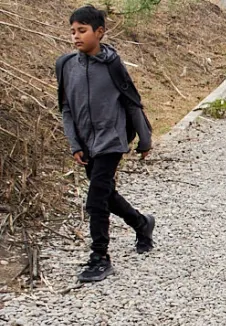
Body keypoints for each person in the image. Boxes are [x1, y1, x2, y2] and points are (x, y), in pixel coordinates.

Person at [57, 5, 155, 283]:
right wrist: (74, 143)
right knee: (106, 194)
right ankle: (141, 223)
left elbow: (132, 102)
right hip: (86, 143)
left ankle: (100, 257)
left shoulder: (113, 65)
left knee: (95, 200)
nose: (76, 36)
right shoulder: (65, 66)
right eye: (73, 31)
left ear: (99, 32)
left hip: (111, 141)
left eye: (82, 31)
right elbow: (65, 108)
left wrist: (144, 140)